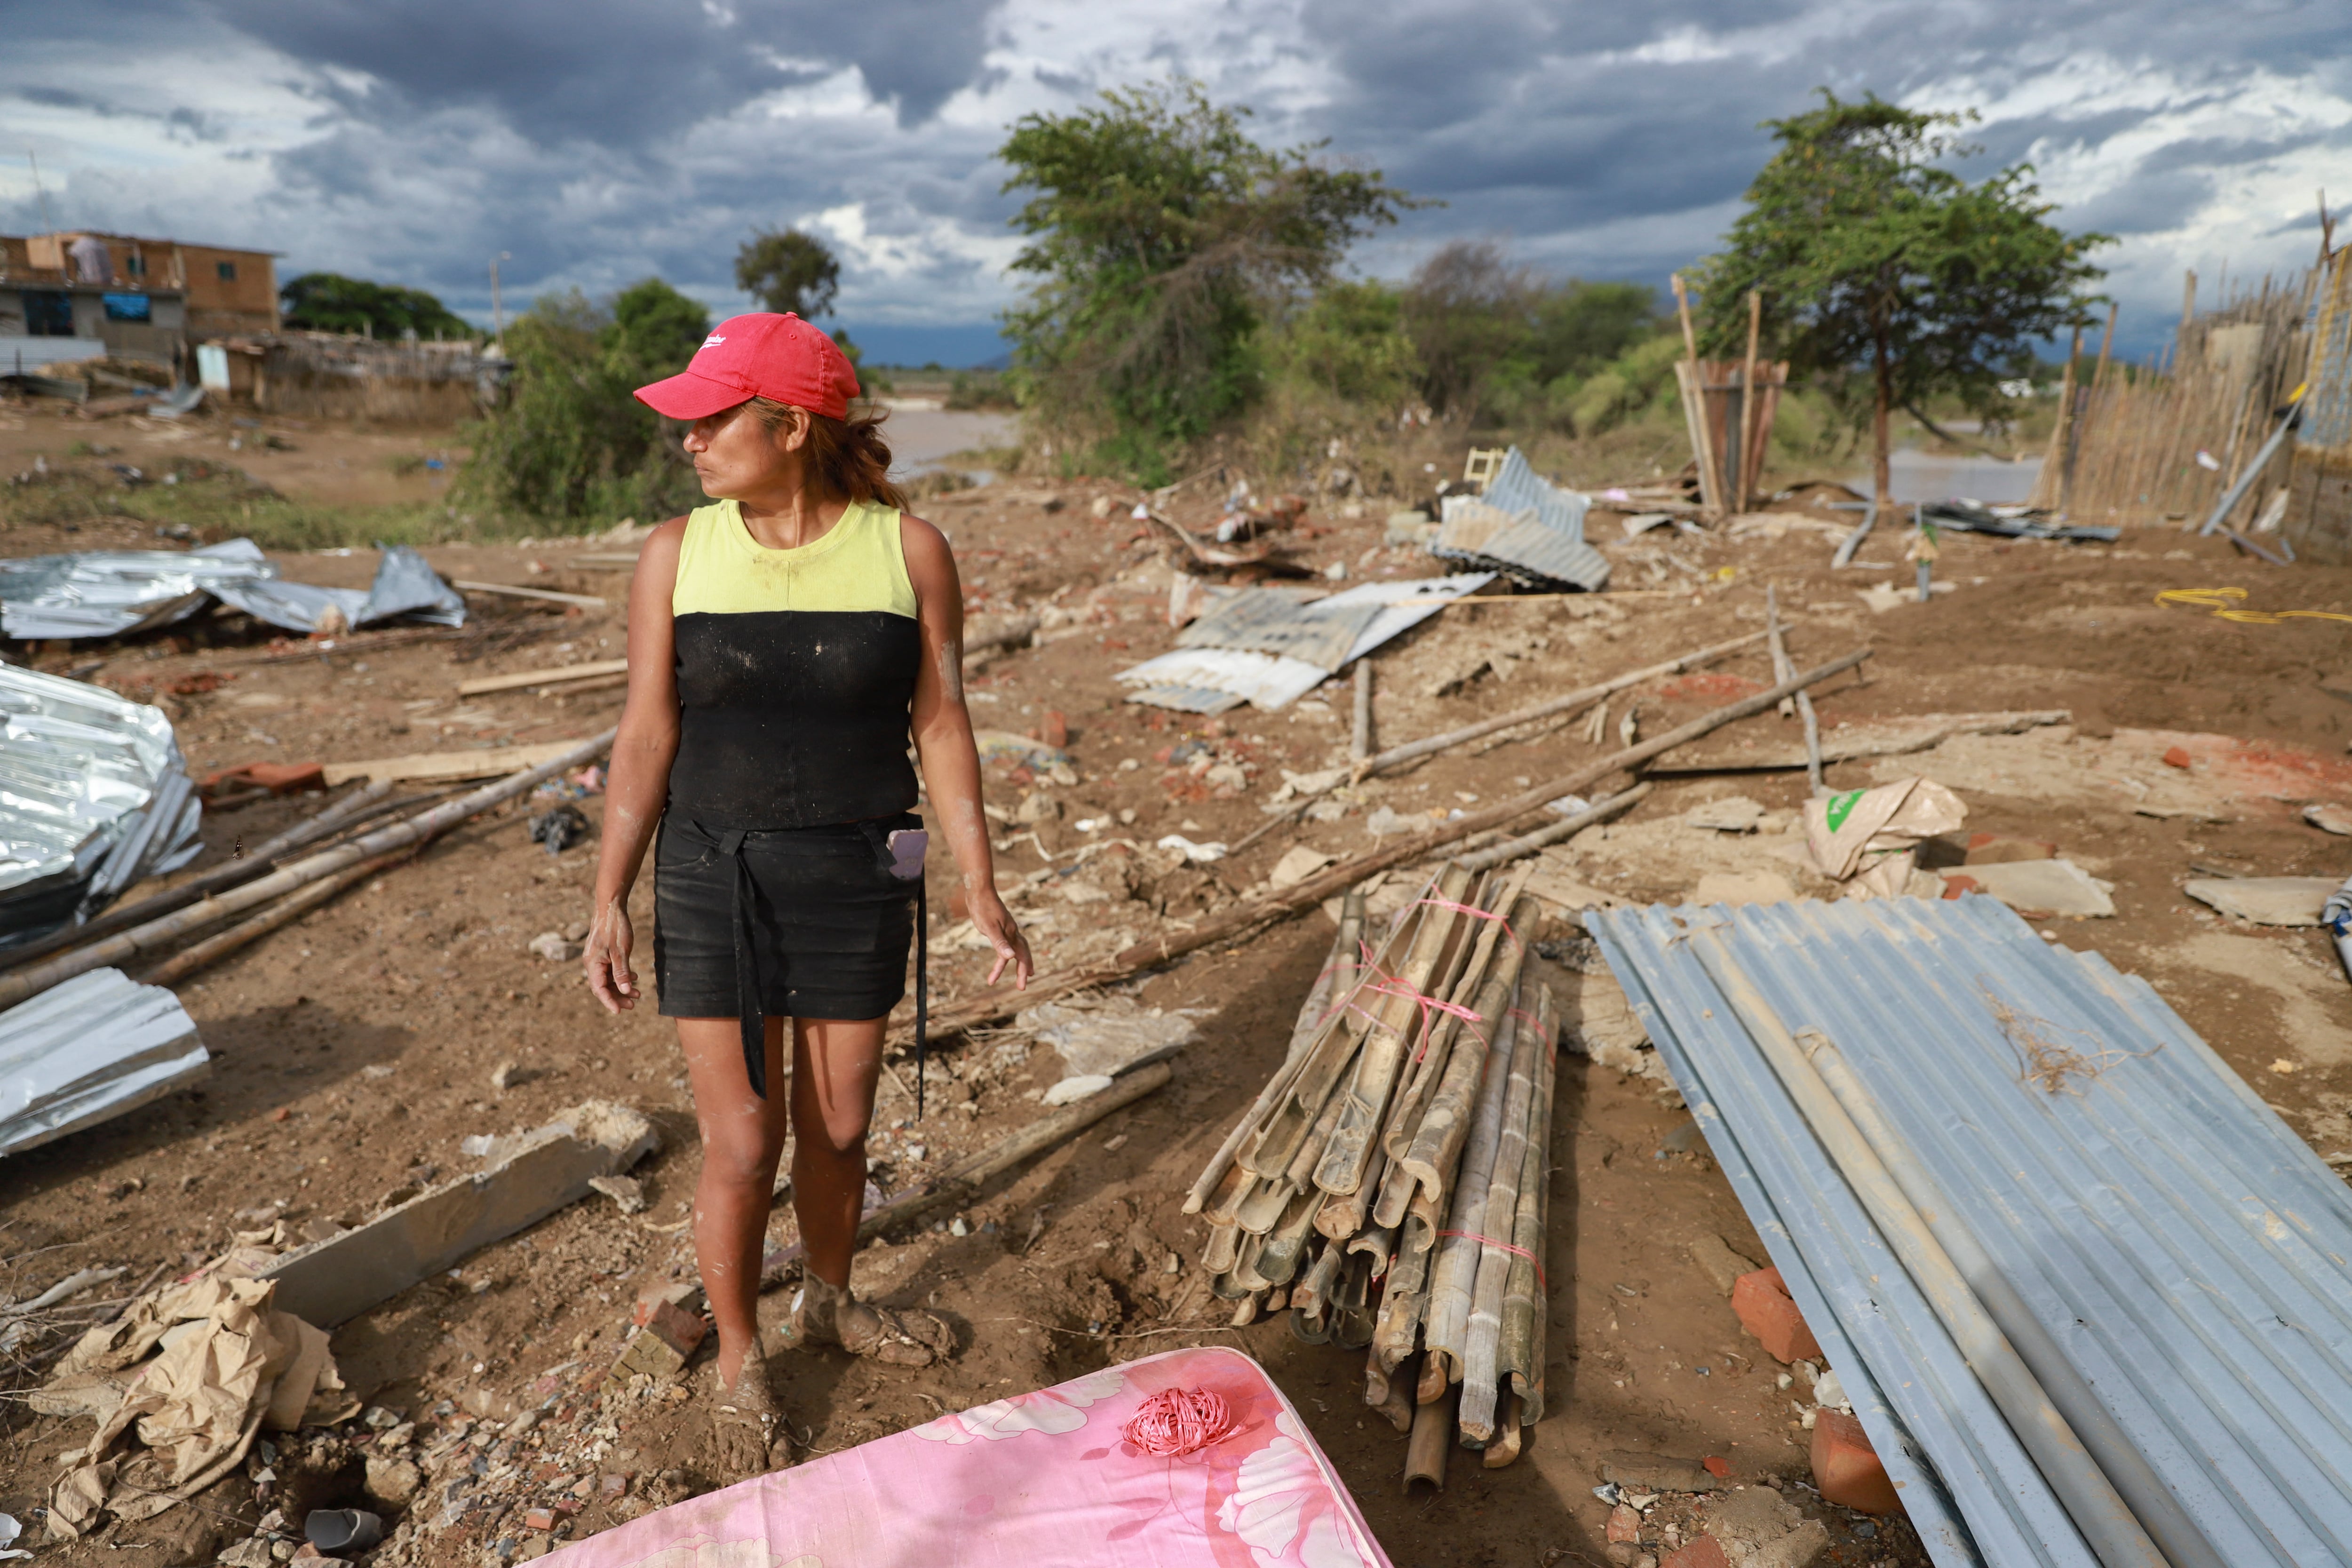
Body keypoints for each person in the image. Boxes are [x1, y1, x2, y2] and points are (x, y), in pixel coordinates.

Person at [581, 312, 1033, 1475]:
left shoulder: (908, 550)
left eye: (710, 417)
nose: (688, 439)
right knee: (743, 1140)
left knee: (839, 1125)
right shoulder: (675, 553)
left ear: (790, 427)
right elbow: (646, 731)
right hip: (712, 870)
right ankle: (742, 1354)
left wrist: (978, 878)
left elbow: (940, 719)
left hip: (862, 866)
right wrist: (608, 896)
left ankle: (828, 1296)